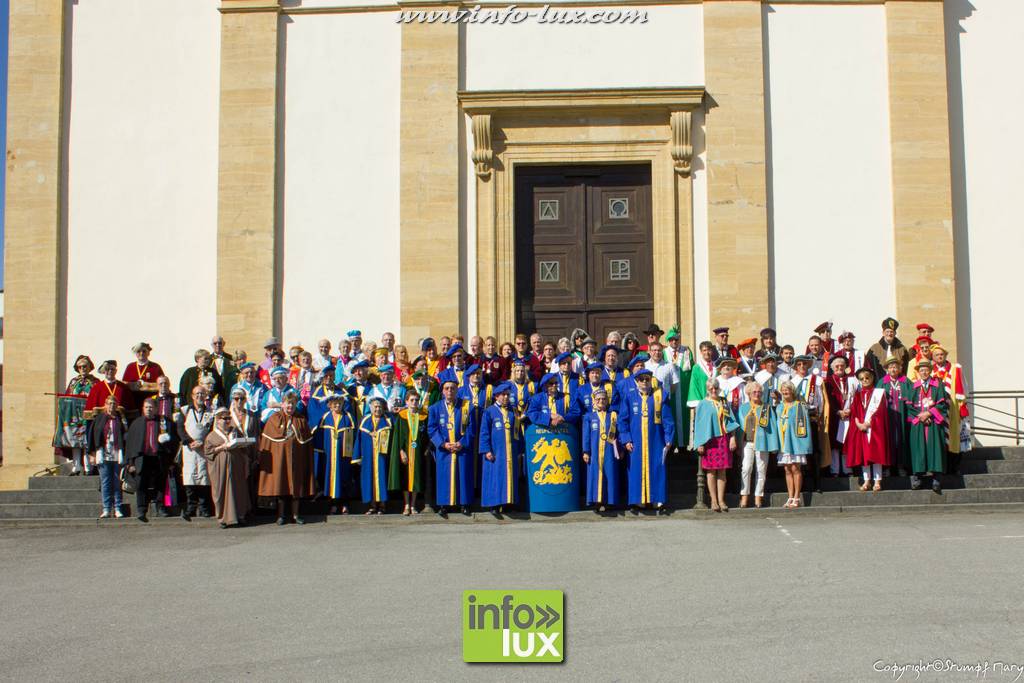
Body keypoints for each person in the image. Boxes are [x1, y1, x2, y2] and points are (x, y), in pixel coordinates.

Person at [618, 368, 674, 515]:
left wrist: (668, 438)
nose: (644, 382)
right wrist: (626, 439)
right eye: (641, 379)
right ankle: (638, 501)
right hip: (635, 441)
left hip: (656, 440)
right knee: (636, 470)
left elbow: (667, 420)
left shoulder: (660, 396)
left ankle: (658, 500)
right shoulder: (629, 397)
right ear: (636, 381)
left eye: (647, 379)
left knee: (657, 467)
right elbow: (622, 421)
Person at [259, 393, 316, 524]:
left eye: (292, 403)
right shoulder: (274, 419)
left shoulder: (301, 420)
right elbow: (268, 442)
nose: (290, 406)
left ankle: (296, 515)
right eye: (287, 403)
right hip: (280, 459)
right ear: (282, 404)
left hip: (297, 459)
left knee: (296, 486)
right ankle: (281, 515)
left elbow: (305, 441)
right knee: (281, 485)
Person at [125, 397, 179, 521]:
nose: (149, 410)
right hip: (142, 458)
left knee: (160, 484)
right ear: (143, 409)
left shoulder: (164, 422)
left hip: (159, 458)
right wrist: (130, 462)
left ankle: (160, 507)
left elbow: (174, 441)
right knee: (141, 484)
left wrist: (170, 459)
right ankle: (141, 510)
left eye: (151, 407)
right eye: (146, 407)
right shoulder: (136, 423)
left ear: (156, 408)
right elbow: (130, 444)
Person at [428, 378, 476, 517]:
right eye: (447, 388)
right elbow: (432, 429)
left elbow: (471, 428)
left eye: (453, 388)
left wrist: (462, 442)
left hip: (461, 447)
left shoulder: (466, 406)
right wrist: (443, 444)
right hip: (444, 449)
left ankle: (464, 504)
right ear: (442, 391)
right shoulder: (435, 408)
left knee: (463, 475)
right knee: (444, 476)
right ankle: (444, 505)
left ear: (457, 390)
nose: (450, 391)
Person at [202, 407, 253, 528]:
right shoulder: (211, 436)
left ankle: (240, 515)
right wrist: (221, 447)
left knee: (238, 490)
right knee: (221, 491)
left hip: (236, 467)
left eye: (229, 418)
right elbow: (208, 453)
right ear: (218, 420)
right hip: (220, 469)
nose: (227, 421)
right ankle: (223, 518)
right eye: (224, 418)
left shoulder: (235, 431)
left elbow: (244, 449)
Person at [693, 379, 739, 513]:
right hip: (710, 440)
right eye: (711, 388)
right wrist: (700, 442)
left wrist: (733, 438)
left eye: (716, 388)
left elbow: (731, 421)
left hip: (723, 439)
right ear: (707, 389)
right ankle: (713, 500)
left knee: (722, 471)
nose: (714, 390)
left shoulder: (724, 402)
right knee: (711, 471)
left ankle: (721, 500)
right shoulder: (702, 404)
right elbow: (699, 425)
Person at [478, 382, 523, 517]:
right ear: (496, 396)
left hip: (510, 451)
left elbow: (518, 432)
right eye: (503, 395)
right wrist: (487, 450)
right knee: (495, 477)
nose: (505, 398)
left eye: (508, 395)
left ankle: (508, 503)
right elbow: (484, 432)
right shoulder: (489, 411)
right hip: (496, 451)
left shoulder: (513, 411)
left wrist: (520, 449)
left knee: (509, 477)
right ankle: (494, 505)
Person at [904, 359, 948, 493]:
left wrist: (929, 414)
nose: (924, 372)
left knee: (935, 449)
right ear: (918, 372)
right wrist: (921, 416)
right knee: (918, 449)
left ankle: (936, 479)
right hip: (918, 424)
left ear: (930, 371)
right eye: (921, 370)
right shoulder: (913, 386)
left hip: (934, 423)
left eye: (926, 370)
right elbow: (909, 406)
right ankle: (917, 478)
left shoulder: (937, 385)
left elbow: (942, 404)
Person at [844, 367, 890, 491]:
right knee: (864, 455)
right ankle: (867, 480)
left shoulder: (879, 393)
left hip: (875, 428)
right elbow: (855, 411)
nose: (865, 380)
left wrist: (868, 423)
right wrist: (858, 423)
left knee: (876, 455)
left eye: (867, 378)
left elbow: (881, 411)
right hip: (861, 429)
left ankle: (877, 481)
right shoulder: (858, 395)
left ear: (872, 378)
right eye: (862, 379)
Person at [790, 354, 830, 492]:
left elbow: (821, 399)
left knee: (814, 450)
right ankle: (803, 483)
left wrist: (820, 416)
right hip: (797, 418)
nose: (802, 367)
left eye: (804, 364)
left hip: (812, 416)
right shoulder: (792, 382)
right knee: (801, 451)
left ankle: (817, 482)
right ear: (795, 367)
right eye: (799, 364)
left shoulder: (816, 380)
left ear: (808, 365)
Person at [53, 355, 98, 475]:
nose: (83, 368)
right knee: (75, 441)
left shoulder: (95, 382)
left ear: (90, 367)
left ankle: (89, 467)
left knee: (87, 441)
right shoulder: (73, 382)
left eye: (85, 366)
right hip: (74, 417)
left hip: (88, 417)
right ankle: (76, 467)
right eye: (80, 367)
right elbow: (68, 397)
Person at [737, 382, 780, 508]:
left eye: (759, 392)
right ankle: (744, 496)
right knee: (746, 468)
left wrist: (773, 445)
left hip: (763, 443)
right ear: (749, 393)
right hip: (747, 443)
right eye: (754, 392)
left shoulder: (766, 407)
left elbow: (772, 427)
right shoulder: (743, 408)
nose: (757, 394)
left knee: (761, 470)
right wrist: (739, 445)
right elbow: (739, 427)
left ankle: (758, 497)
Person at [176, 386, 215, 520]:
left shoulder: (210, 412)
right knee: (190, 477)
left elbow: (212, 429)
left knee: (204, 478)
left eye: (202, 394)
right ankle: (191, 508)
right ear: (192, 396)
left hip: (204, 447)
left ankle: (204, 508)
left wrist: (204, 441)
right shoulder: (184, 410)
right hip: (189, 449)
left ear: (205, 396)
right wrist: (189, 441)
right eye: (197, 394)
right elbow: (180, 428)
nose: (199, 396)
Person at [581, 388, 623, 512]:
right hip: (594, 451)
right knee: (595, 475)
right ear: (593, 401)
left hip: (610, 450)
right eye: (598, 399)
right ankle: (597, 501)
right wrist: (586, 451)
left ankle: (610, 501)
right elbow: (586, 435)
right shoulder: (589, 416)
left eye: (604, 399)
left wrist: (620, 449)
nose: (601, 401)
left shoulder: (613, 416)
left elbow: (618, 434)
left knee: (610, 474)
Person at [931, 343, 971, 472]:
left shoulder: (954, 368)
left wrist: (962, 406)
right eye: (937, 355)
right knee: (939, 439)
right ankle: (941, 467)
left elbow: (962, 387)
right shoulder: (930, 371)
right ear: (933, 357)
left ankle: (954, 467)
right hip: (937, 410)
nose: (940, 356)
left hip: (953, 409)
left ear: (946, 355)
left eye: (942, 354)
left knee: (954, 437)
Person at [389, 391, 429, 515]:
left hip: (418, 451)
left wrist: (426, 448)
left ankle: (413, 505)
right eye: (411, 400)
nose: (414, 403)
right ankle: (406, 504)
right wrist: (401, 451)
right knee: (405, 477)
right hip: (406, 451)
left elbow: (427, 435)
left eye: (416, 400)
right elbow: (398, 436)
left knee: (416, 477)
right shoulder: (401, 416)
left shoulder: (424, 416)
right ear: (406, 402)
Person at [89, 396, 129, 518]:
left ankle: (117, 507)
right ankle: (106, 508)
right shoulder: (99, 418)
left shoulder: (120, 419)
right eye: (109, 403)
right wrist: (92, 454)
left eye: (114, 404)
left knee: (117, 482)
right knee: (105, 482)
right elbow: (92, 436)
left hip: (117, 454)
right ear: (105, 405)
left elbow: (126, 436)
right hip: (103, 453)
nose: (112, 406)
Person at [317, 393, 356, 515]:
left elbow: (354, 436)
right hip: (330, 455)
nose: (337, 405)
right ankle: (333, 504)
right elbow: (320, 437)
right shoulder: (325, 417)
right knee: (331, 478)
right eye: (334, 404)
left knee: (345, 477)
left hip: (344, 454)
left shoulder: (348, 417)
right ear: (329, 405)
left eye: (339, 403)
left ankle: (345, 504)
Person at [776, 381, 814, 509]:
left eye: (787, 390)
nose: (785, 392)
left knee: (795, 469)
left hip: (795, 442)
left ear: (792, 391)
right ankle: (790, 496)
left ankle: (797, 497)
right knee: (787, 469)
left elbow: (805, 425)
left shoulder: (800, 406)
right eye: (783, 390)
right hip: (783, 442)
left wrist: (804, 444)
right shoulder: (779, 407)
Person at [227, 386, 262, 521]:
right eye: (236, 399)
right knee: (237, 482)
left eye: (242, 398)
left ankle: (251, 510)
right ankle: (238, 510)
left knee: (251, 482)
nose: (239, 401)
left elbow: (258, 435)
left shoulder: (252, 415)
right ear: (232, 400)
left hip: (250, 452)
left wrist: (258, 453)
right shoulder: (227, 416)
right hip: (236, 453)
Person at [354, 396, 392, 514]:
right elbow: (358, 440)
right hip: (368, 456)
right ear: (370, 408)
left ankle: (382, 504)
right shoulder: (365, 421)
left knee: (382, 478)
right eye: (375, 407)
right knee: (368, 479)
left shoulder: (388, 420)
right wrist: (357, 457)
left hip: (382, 457)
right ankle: (372, 505)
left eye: (380, 407)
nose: (377, 409)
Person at [824, 355, 857, 477]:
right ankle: (835, 470)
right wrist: (838, 411)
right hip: (835, 416)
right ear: (832, 368)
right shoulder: (828, 381)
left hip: (849, 416)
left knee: (846, 443)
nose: (839, 368)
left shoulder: (852, 380)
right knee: (834, 444)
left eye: (842, 366)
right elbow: (827, 399)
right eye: (837, 366)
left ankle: (848, 469)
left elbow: (856, 397)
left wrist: (849, 410)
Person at [879, 357, 912, 476]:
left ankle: (901, 466)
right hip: (888, 418)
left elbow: (912, 399)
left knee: (902, 441)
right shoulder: (882, 382)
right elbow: (877, 401)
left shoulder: (906, 381)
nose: (893, 369)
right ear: (887, 369)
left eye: (895, 367)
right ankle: (887, 467)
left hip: (903, 418)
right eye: (891, 367)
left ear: (900, 368)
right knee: (888, 441)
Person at [664, 327, 693, 452]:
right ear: (668, 341)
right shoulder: (664, 352)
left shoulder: (686, 351)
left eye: (676, 339)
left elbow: (690, 368)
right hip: (670, 391)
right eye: (671, 340)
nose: (674, 342)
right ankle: (670, 444)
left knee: (684, 418)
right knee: (670, 417)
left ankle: (683, 445)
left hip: (684, 390)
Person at [122, 342, 165, 411]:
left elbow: (162, 384)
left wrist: (147, 386)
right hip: (134, 403)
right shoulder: (130, 367)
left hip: (151, 404)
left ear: (148, 353)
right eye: (138, 351)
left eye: (144, 351)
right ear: (136, 354)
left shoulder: (155, 367)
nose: (141, 353)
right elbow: (124, 385)